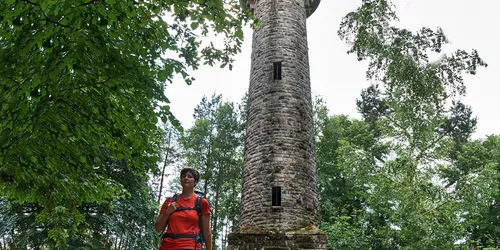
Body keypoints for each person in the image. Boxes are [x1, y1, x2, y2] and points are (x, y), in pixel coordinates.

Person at [155, 167, 212, 250]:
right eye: (184, 176)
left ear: (195, 182)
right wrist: (167, 212)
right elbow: (158, 228)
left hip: (191, 246)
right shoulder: (169, 202)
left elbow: (207, 232)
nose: (186, 178)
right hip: (168, 246)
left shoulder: (202, 202)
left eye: (189, 176)